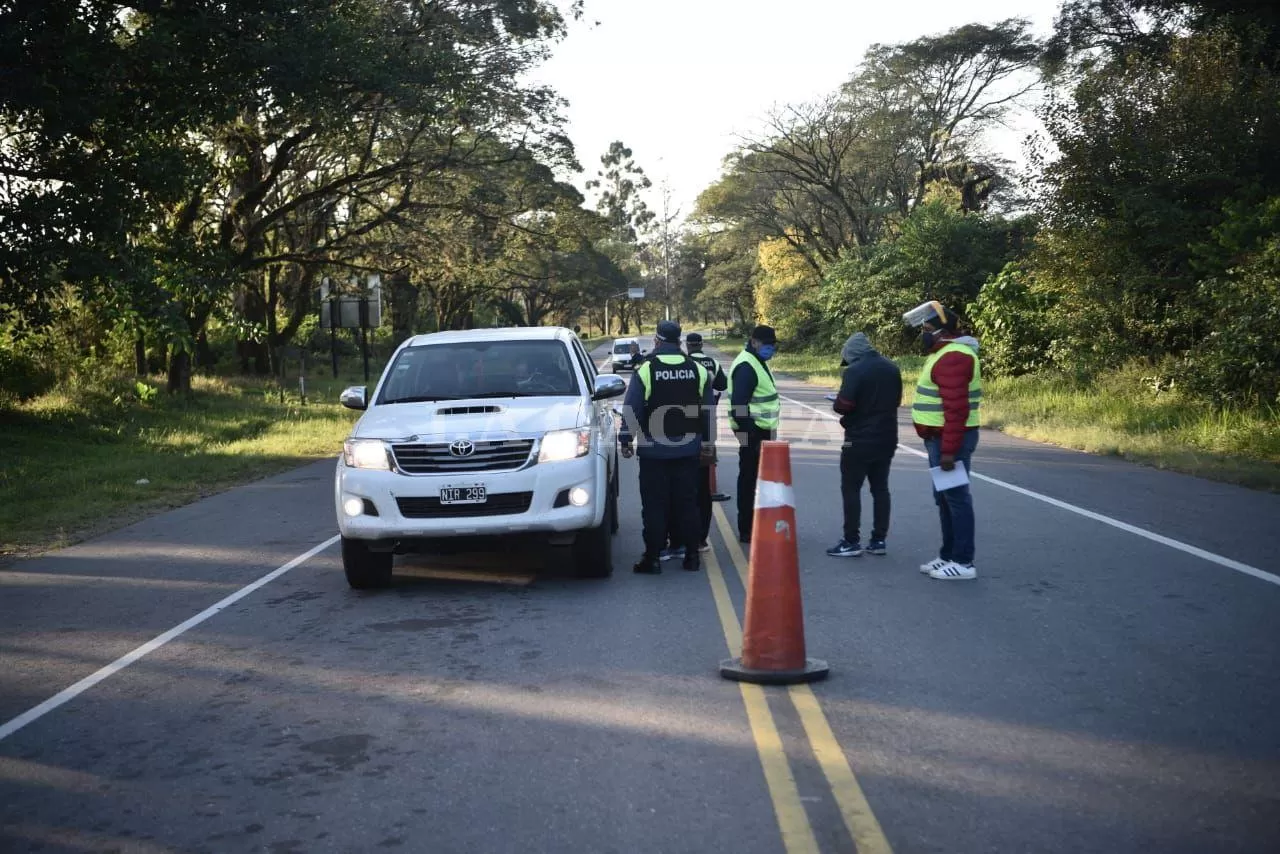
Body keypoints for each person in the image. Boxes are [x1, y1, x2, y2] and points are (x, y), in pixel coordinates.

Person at [618, 320, 713, 574]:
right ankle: (692, 557)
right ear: (679, 342)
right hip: (688, 449)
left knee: (655, 505)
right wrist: (708, 443)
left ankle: (653, 558)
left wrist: (625, 439)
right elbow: (707, 413)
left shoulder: (647, 369)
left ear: (657, 341)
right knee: (687, 504)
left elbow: (632, 408)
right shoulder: (697, 370)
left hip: (654, 451)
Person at [903, 300, 983, 581]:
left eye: (926, 328)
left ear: (941, 330)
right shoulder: (943, 353)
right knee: (945, 498)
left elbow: (956, 408)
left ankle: (963, 561)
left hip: (950, 440)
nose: (923, 333)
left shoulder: (954, 357)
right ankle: (948, 555)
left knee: (956, 498)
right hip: (939, 439)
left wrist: (949, 452)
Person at [825, 332, 903, 559]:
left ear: (852, 355)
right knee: (880, 488)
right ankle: (879, 539)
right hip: (887, 437)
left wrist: (838, 402)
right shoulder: (892, 368)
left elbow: (844, 405)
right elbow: (897, 401)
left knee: (851, 488)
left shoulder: (854, 371)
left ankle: (851, 540)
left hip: (858, 439)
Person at [657, 332, 728, 561]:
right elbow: (722, 385)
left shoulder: (681, 365)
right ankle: (699, 539)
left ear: (687, 345)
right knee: (701, 492)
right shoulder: (710, 364)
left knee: (676, 491)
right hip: (704, 431)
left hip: (673, 432)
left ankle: (674, 540)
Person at [727, 325, 780, 543]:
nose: (770, 349)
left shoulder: (756, 361)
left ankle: (755, 524)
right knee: (749, 481)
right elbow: (739, 406)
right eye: (766, 345)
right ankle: (747, 529)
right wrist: (751, 438)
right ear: (754, 341)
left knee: (758, 481)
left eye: (773, 345)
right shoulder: (747, 366)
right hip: (752, 432)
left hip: (760, 431)